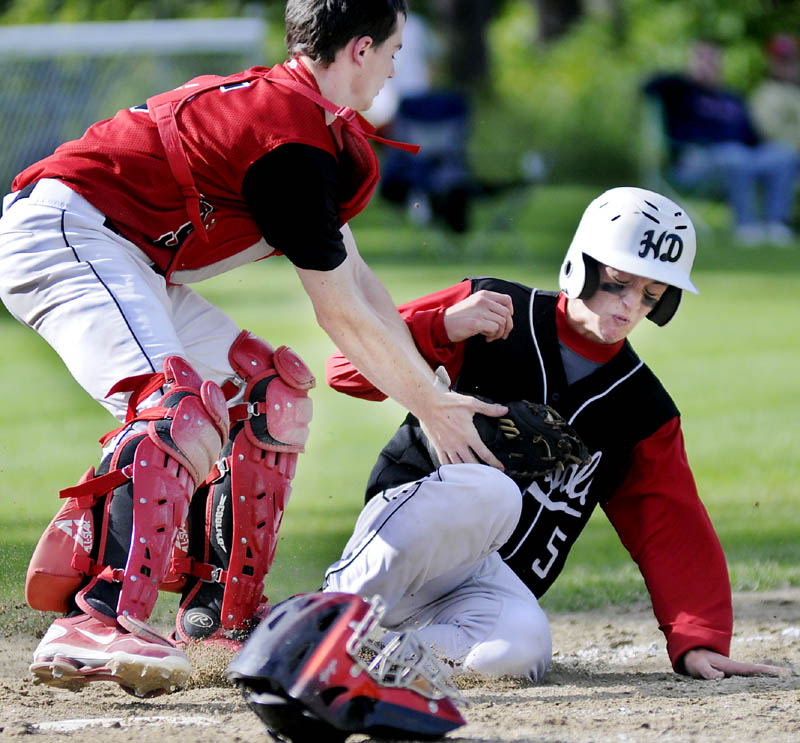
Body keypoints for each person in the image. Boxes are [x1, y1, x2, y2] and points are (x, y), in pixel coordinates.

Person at [0, 0, 509, 698]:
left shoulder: (311, 125)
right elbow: (341, 317)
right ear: (359, 49)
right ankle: (97, 615)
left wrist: (433, 392)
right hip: (65, 232)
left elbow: (360, 285)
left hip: (126, 252)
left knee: (268, 388)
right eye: (392, 47)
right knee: (175, 405)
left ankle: (219, 621)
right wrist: (432, 407)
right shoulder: (290, 140)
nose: (397, 63)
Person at [322, 186, 784, 682]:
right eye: (619, 283)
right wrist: (444, 326)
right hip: (407, 538)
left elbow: (667, 520)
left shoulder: (641, 407)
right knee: (493, 492)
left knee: (523, 648)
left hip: (480, 582)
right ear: (580, 265)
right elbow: (344, 369)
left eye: (650, 295)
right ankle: (324, 623)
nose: (629, 307)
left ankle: (380, 654)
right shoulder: (494, 308)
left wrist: (699, 639)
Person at [644, 40, 799, 245]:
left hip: (740, 158)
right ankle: (747, 226)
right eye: (702, 59)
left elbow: (753, 137)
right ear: (691, 62)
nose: (708, 65)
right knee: (734, 155)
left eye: (713, 60)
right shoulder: (679, 90)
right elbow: (648, 86)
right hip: (695, 160)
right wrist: (686, 77)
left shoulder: (732, 98)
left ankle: (776, 225)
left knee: (782, 155)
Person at [750, 34, 800, 154]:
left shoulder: (796, 90)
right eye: (783, 60)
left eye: (794, 59)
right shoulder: (765, 95)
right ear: (771, 62)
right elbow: (773, 137)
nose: (789, 65)